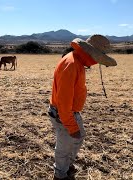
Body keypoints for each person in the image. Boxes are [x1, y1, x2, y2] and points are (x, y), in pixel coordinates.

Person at [48, 34, 117, 180]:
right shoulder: (72, 64)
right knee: (65, 146)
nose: (97, 62)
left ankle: (66, 166)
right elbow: (63, 101)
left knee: (78, 139)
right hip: (64, 114)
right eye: (97, 57)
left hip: (69, 113)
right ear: (90, 53)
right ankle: (60, 175)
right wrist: (71, 126)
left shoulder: (77, 62)